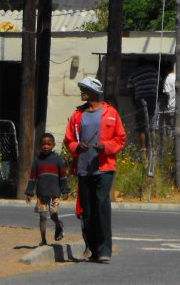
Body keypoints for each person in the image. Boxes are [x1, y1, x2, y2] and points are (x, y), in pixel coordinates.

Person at [64, 76, 126, 264]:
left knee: (101, 204)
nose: (81, 92)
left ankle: (104, 248)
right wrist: (76, 147)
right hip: (83, 168)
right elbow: (69, 140)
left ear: (93, 92)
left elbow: (120, 139)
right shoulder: (77, 115)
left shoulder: (111, 113)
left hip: (104, 168)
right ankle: (92, 248)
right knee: (88, 210)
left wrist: (105, 147)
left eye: (84, 88)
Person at [24, 132, 70, 245]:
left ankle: (59, 226)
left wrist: (65, 191)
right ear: (40, 145)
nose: (46, 146)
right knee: (43, 216)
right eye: (43, 144)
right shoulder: (37, 161)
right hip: (41, 193)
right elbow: (32, 178)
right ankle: (43, 239)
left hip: (54, 193)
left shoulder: (58, 160)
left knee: (53, 214)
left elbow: (63, 177)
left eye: (48, 144)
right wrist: (29, 192)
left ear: (53, 145)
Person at [126, 61, 160, 151]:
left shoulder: (134, 73)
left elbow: (129, 89)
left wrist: (134, 103)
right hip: (153, 98)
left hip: (140, 99)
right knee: (154, 127)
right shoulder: (154, 70)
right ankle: (154, 151)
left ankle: (143, 151)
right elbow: (159, 83)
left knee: (141, 127)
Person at [161, 63, 176, 132]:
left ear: (166, 70)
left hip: (170, 106)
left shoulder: (167, 79)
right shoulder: (178, 77)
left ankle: (170, 141)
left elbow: (167, 94)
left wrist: (165, 105)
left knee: (169, 128)